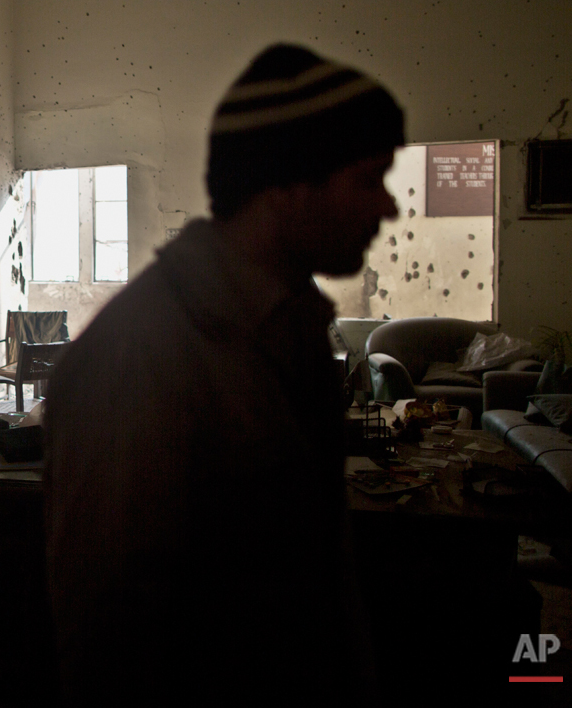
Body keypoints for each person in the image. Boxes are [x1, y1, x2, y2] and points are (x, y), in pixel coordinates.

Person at [43, 44, 402, 702]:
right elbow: (108, 641)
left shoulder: (287, 324)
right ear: (288, 184)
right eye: (367, 178)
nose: (387, 207)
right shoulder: (140, 353)